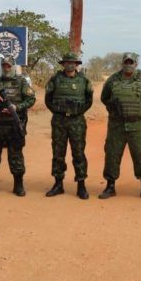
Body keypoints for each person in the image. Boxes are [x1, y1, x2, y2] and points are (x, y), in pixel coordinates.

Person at [99, 52, 141, 201]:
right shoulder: (112, 80)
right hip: (116, 126)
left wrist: (139, 110)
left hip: (137, 126)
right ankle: (110, 187)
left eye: (131, 62)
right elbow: (104, 98)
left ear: (136, 64)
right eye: (126, 62)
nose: (128, 64)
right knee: (112, 156)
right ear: (122, 63)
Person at [0, 56, 36, 197]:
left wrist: (16, 107)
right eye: (4, 66)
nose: (6, 68)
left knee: (16, 157)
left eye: (9, 66)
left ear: (13, 66)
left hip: (13, 126)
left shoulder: (21, 82)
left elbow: (31, 99)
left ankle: (18, 185)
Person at [44, 52, 94, 199]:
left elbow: (89, 100)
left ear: (77, 64)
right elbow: (48, 99)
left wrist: (78, 112)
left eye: (73, 62)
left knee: (78, 153)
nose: (70, 64)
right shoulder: (55, 79)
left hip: (77, 122)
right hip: (59, 122)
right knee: (58, 153)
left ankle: (81, 186)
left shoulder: (84, 81)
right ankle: (58, 184)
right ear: (63, 64)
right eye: (67, 62)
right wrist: (58, 111)